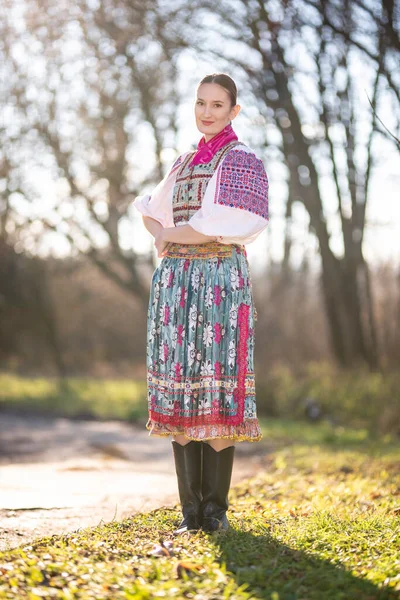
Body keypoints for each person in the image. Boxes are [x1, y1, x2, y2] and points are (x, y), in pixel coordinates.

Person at [134, 73, 269, 534]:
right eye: (200, 103)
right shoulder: (183, 162)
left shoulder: (242, 161)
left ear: (234, 111)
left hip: (219, 280)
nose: (207, 112)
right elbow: (153, 212)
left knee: (216, 384)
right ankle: (189, 511)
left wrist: (172, 234)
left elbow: (219, 224)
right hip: (176, 282)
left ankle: (216, 511)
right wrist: (169, 234)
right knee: (181, 384)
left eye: (217, 105)